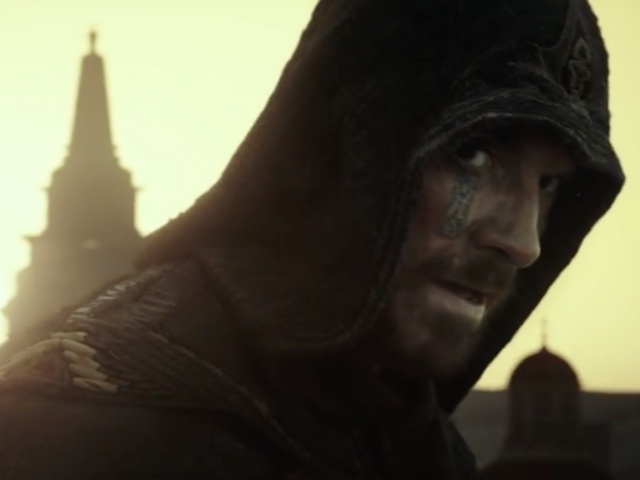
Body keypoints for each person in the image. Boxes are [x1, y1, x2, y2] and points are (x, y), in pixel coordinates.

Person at [0, 0, 625, 478]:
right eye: (474, 153)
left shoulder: (410, 436)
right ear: (347, 144)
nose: (523, 241)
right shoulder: (75, 427)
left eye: (549, 185)